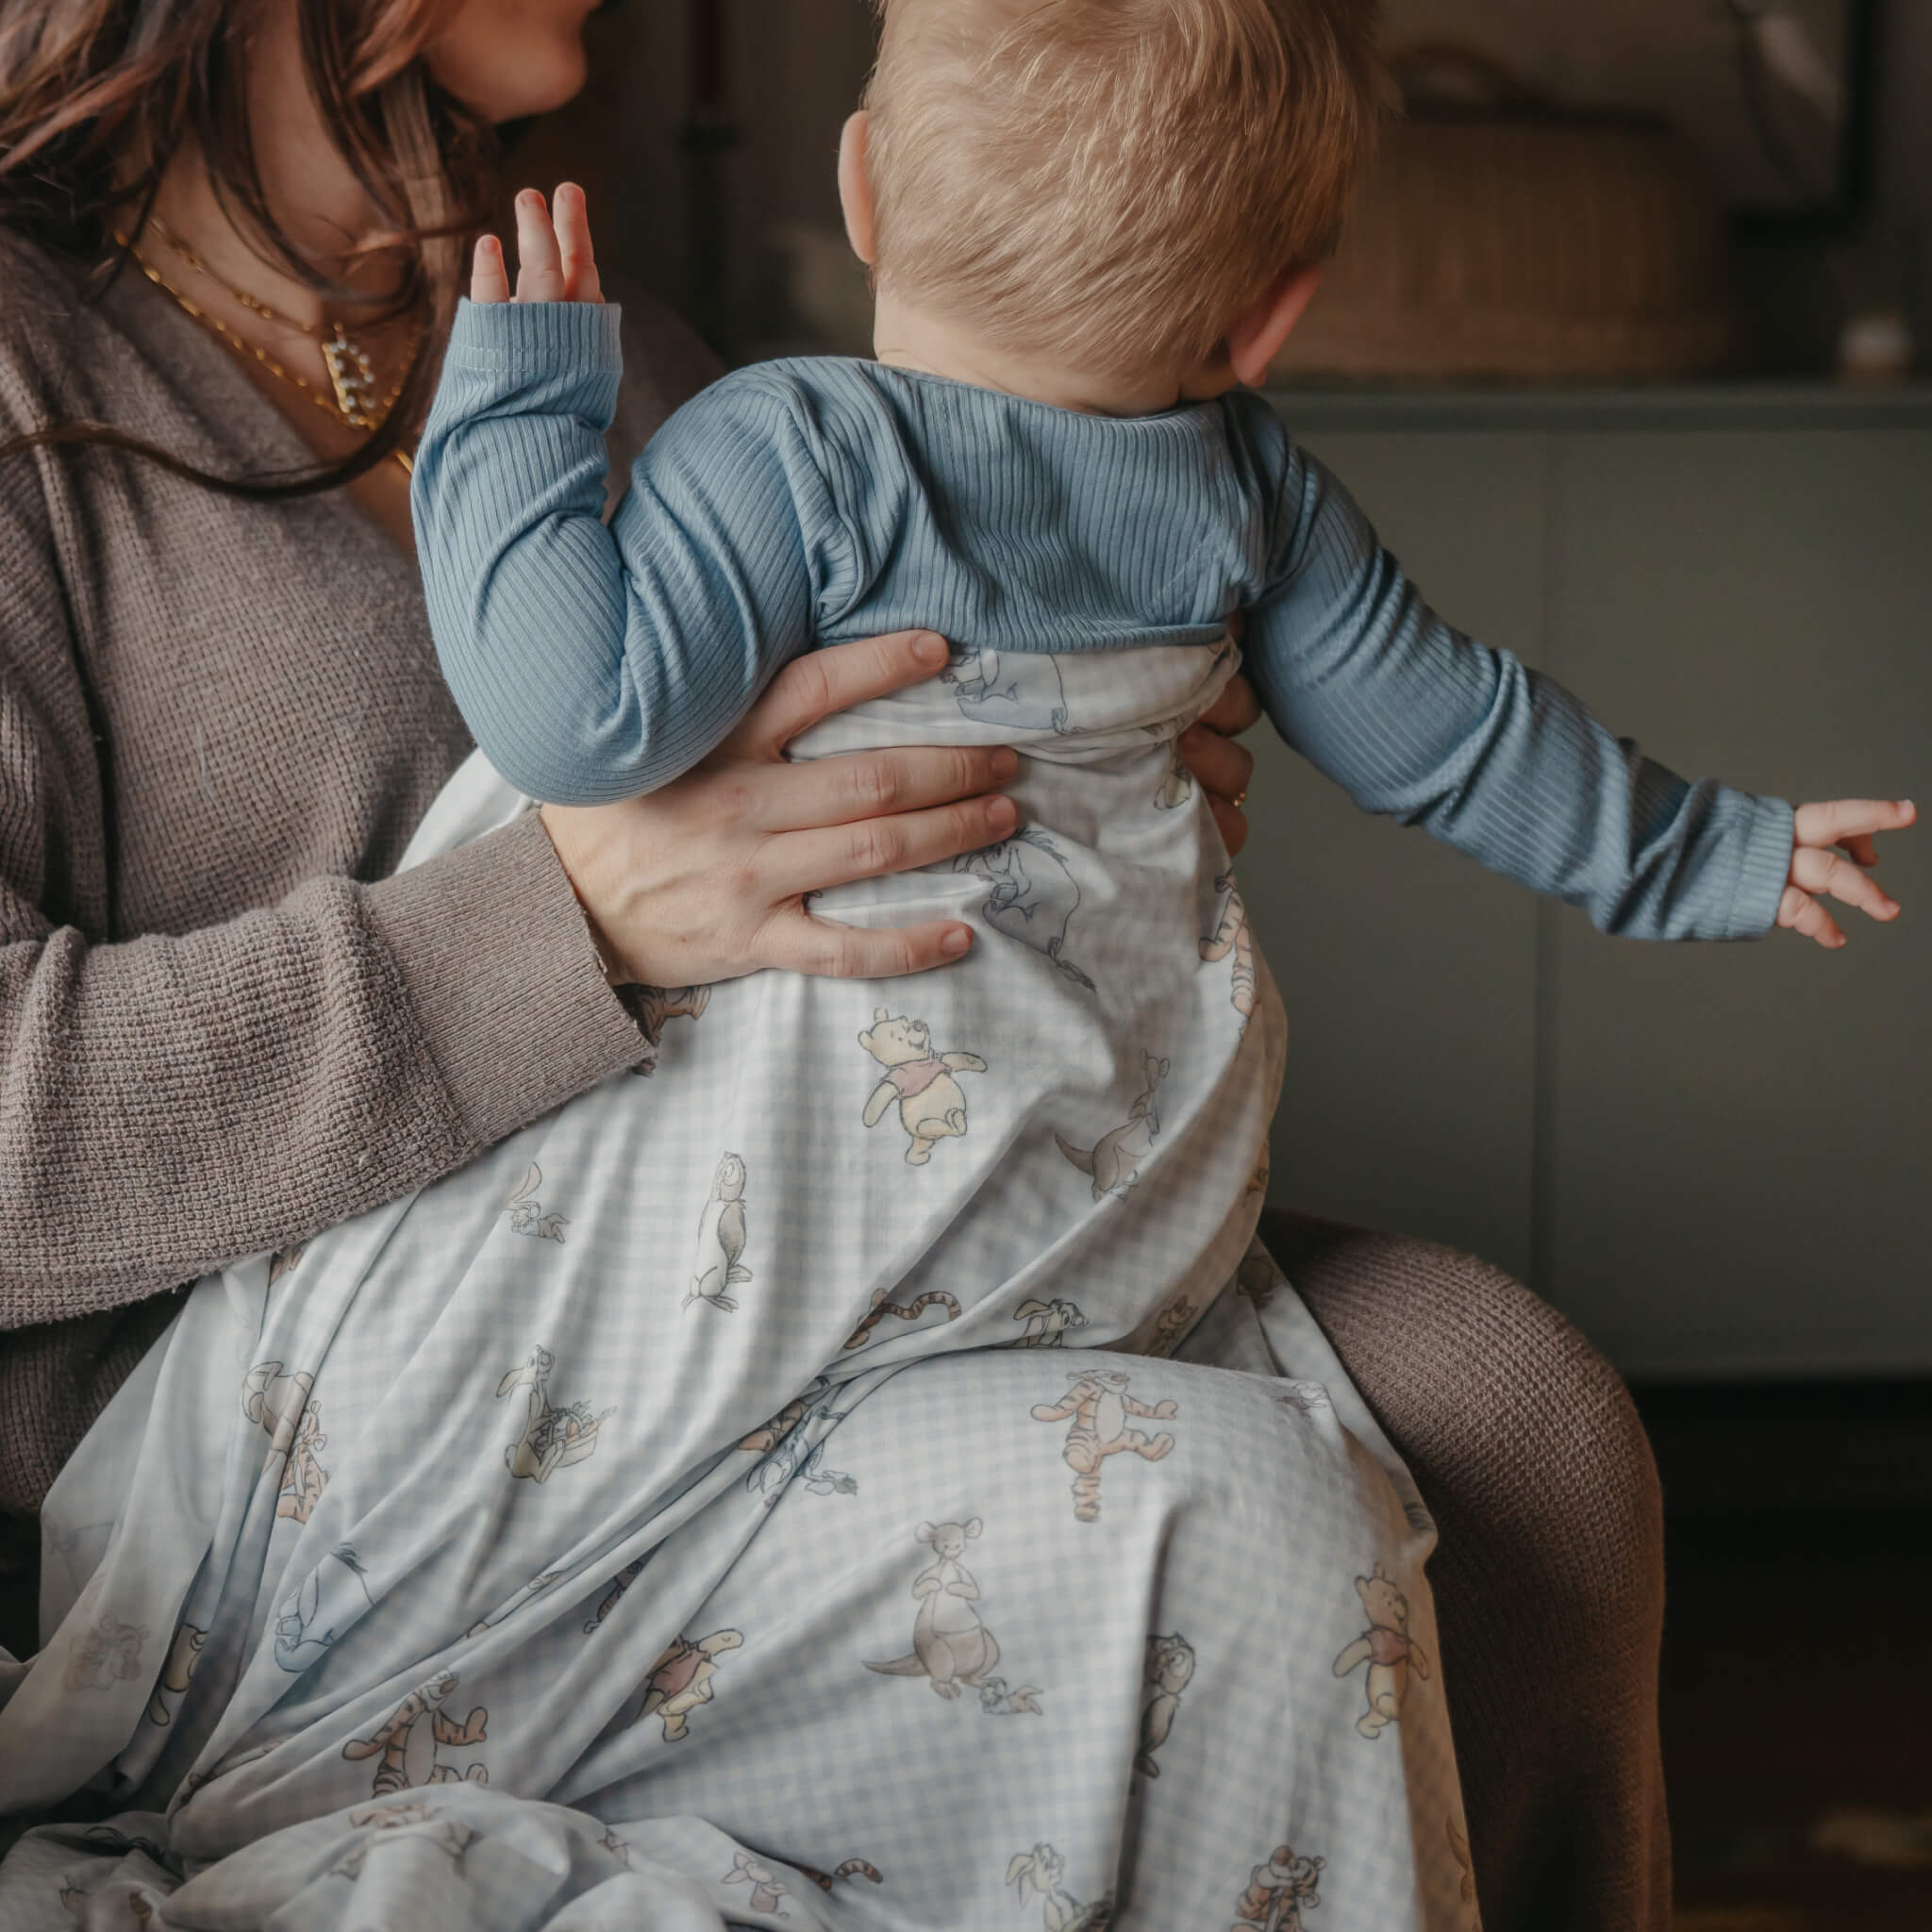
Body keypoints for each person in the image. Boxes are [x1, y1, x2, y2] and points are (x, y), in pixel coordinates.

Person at [0, 0, 1897, 1926]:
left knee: (1518, 1420)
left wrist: (1102, 779)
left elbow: (986, 710)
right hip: (380, 1330)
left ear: (863, 189)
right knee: (1258, 1525)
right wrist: (562, 919)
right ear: (1272, 316)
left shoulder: (659, 361)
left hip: (853, 1198)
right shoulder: (31, 382)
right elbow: (1458, 727)